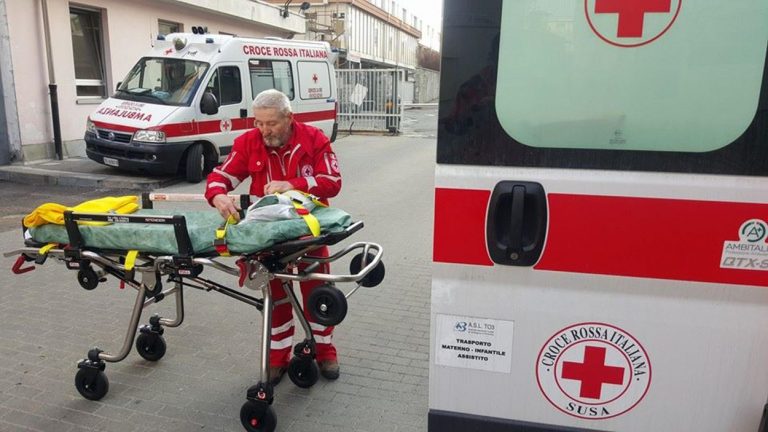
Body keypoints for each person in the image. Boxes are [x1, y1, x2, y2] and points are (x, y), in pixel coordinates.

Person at [205, 89, 343, 384]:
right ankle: (278, 358)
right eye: (259, 123)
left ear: (289, 118)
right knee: (276, 298)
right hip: (267, 239)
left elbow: (332, 182)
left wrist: (291, 184)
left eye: (271, 123)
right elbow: (221, 176)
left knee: (316, 293)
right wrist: (217, 196)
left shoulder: (314, 139)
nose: (264, 131)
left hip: (309, 235)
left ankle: (325, 352)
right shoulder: (248, 143)